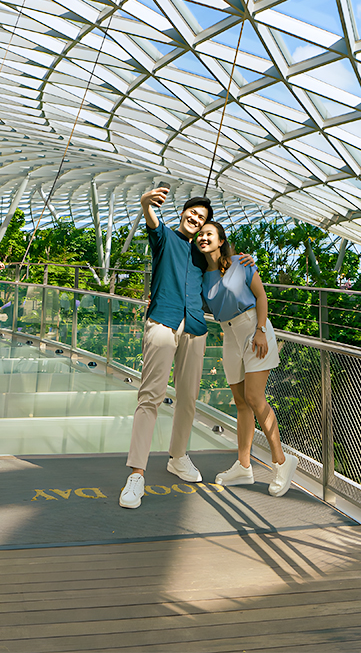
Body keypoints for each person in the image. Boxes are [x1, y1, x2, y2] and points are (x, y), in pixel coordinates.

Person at [119, 188, 216, 509]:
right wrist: (147, 203)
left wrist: (242, 263)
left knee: (188, 398)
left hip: (196, 328)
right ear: (183, 213)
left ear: (205, 226)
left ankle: (178, 457)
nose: (196, 218)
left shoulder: (203, 256)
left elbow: (226, 278)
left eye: (202, 218)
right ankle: (136, 473)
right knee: (150, 397)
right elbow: (152, 223)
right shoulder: (164, 239)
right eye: (193, 213)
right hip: (162, 322)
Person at [195, 221, 298, 496]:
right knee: (241, 403)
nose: (203, 237)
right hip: (228, 335)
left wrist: (262, 331)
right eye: (200, 235)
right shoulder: (201, 275)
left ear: (220, 240)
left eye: (209, 234)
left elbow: (261, 296)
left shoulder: (241, 263)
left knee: (254, 397)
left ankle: (282, 461)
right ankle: (243, 466)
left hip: (254, 329)